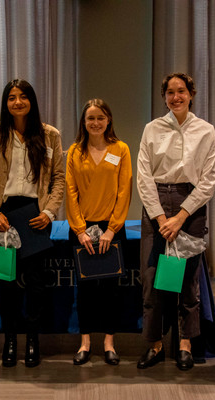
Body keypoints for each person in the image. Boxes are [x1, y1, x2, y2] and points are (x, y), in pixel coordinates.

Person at [0, 79, 65, 368]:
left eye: (23, 97)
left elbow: (59, 179)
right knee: (6, 282)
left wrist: (50, 212)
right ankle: (10, 340)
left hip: (36, 215)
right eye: (12, 97)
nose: (17, 102)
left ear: (32, 100)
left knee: (36, 283)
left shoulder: (50, 134)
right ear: (6, 102)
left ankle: (32, 339)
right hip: (3, 215)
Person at [136, 73, 215, 371]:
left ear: (191, 93)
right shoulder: (152, 129)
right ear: (164, 97)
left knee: (188, 282)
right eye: (170, 92)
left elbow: (208, 181)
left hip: (191, 207)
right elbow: (144, 178)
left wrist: (181, 216)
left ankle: (185, 343)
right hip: (156, 205)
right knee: (152, 279)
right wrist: (161, 218)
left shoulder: (206, 130)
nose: (176, 97)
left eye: (181, 91)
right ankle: (155, 345)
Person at [65, 99, 132, 366]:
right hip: (82, 231)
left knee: (111, 291)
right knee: (85, 291)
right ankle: (85, 342)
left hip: (111, 230)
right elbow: (70, 192)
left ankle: (109, 342)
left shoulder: (121, 149)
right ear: (84, 122)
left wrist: (112, 230)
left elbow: (124, 191)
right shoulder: (74, 152)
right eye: (90, 118)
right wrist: (80, 230)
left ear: (109, 120)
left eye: (100, 118)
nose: (95, 123)